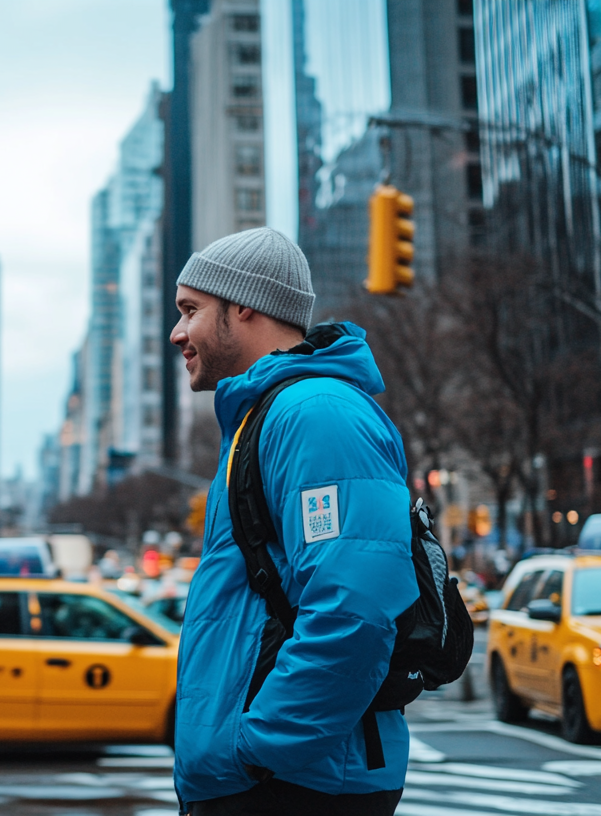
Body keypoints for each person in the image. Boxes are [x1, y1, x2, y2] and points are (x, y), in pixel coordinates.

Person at [168, 228, 417, 815]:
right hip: (270, 780)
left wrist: (257, 749)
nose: (177, 333)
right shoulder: (270, 417)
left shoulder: (316, 415)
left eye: (191, 310)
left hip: (296, 784)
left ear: (245, 305)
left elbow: (355, 606)